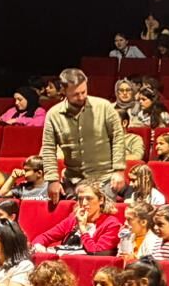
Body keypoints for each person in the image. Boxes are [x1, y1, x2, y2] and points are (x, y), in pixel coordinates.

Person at [39, 69, 126, 200]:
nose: (81, 97)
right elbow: (48, 149)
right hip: (73, 180)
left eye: (83, 92)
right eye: (75, 94)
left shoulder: (104, 107)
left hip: (104, 179)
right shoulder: (53, 115)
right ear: (63, 90)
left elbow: (118, 138)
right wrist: (52, 179)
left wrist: (119, 170)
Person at [30, 181, 122, 256]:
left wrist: (82, 228)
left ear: (101, 200)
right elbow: (45, 237)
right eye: (81, 199)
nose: (84, 203)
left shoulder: (111, 224)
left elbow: (95, 252)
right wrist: (39, 246)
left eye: (89, 198)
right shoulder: (72, 219)